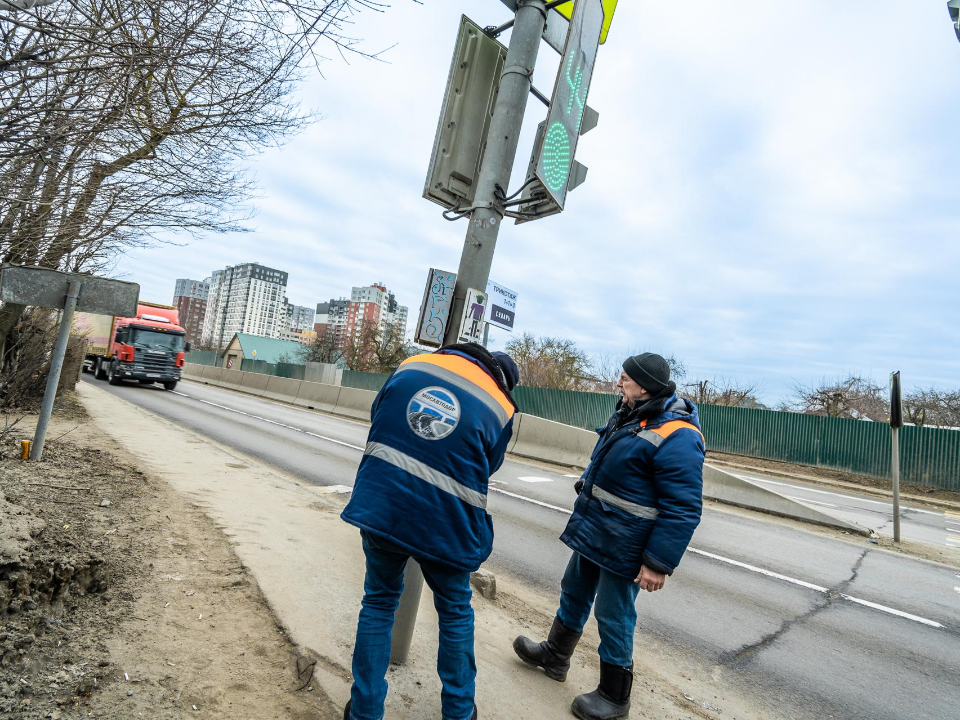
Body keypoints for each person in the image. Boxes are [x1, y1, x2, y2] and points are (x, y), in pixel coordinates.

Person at [513, 352, 704, 720]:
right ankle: (555, 656)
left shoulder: (678, 434)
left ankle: (614, 698)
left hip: (627, 543)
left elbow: (683, 507)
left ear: (645, 386)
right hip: (596, 528)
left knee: (613, 614)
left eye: (625, 379)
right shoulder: (630, 414)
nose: (619, 383)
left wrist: (657, 563)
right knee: (574, 590)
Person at [341, 342, 520, 720]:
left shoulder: (411, 366)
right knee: (455, 611)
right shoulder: (501, 406)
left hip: (383, 505)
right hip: (446, 525)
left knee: (378, 601)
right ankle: (458, 712)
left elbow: (379, 416)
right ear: (503, 381)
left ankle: (364, 710)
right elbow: (489, 466)